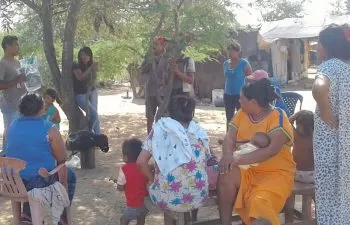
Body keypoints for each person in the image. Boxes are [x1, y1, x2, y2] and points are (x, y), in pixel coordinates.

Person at [218, 79, 295, 225]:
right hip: (247, 171)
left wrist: (237, 159)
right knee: (225, 173)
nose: (239, 100)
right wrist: (228, 155)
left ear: (253, 102)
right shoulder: (242, 113)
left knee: (260, 205)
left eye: (242, 98)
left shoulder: (278, 116)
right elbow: (229, 137)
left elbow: (272, 150)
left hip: (274, 174)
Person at [5, 93, 76, 224]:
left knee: (31, 173)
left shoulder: (12, 126)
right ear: (42, 108)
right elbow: (62, 159)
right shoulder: (49, 129)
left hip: (13, 183)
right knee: (69, 175)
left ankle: (27, 214)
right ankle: (61, 217)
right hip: (37, 184)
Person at [137, 95, 210, 212]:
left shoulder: (160, 129)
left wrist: (151, 179)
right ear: (191, 112)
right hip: (199, 196)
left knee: (151, 183)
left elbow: (140, 162)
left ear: (170, 111)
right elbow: (206, 159)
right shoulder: (199, 131)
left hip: (166, 199)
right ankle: (192, 216)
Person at [312, 24, 350, 224]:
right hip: (347, 143)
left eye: (318, 44)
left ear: (327, 45)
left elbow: (319, 87)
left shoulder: (328, 66)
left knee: (328, 193)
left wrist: (325, 112)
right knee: (345, 193)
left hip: (329, 142)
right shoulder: (347, 68)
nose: (316, 48)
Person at [0, 35, 27, 153]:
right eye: (16, 44)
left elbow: (21, 80)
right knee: (9, 133)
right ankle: (5, 158)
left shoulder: (17, 62)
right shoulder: (3, 63)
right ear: (7, 46)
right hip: (10, 104)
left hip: (21, 103)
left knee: (19, 134)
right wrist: (17, 80)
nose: (18, 47)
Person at [140, 36, 169, 134]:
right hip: (150, 90)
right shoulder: (148, 57)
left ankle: (162, 138)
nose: (154, 46)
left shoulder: (168, 57)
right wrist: (150, 61)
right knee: (150, 117)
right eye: (153, 44)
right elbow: (142, 70)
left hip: (163, 93)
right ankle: (149, 139)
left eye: (156, 44)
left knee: (163, 117)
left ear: (162, 45)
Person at [117, 138, 149, 225]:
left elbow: (120, 187)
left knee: (123, 219)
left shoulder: (124, 169)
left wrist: (120, 185)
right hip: (145, 202)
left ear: (126, 157)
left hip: (133, 204)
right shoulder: (144, 167)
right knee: (141, 217)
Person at [223, 40, 252, 127]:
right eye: (228, 51)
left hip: (240, 95)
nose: (229, 53)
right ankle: (228, 136)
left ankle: (241, 136)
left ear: (238, 51)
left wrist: (248, 93)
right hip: (228, 93)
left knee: (242, 116)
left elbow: (251, 78)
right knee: (229, 117)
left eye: (232, 51)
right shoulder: (226, 63)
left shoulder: (244, 63)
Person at [72, 46, 100, 134]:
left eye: (87, 55)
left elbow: (93, 78)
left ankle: (98, 137)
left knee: (95, 114)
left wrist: (94, 69)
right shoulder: (76, 65)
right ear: (79, 56)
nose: (84, 57)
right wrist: (90, 68)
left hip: (92, 91)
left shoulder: (90, 64)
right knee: (94, 114)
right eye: (82, 55)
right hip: (80, 94)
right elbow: (80, 77)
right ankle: (90, 132)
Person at [289, 110, 314, 184]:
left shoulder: (295, 135)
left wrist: (299, 112)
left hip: (296, 174)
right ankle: (311, 195)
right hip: (313, 174)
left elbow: (287, 122)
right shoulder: (315, 136)